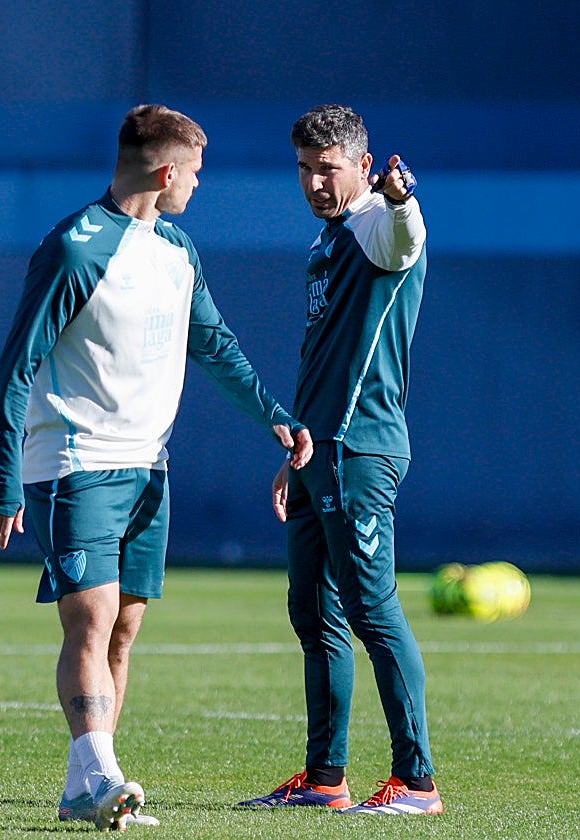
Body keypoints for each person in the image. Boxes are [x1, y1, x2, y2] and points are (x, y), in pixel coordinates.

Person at [0, 104, 313, 831]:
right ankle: (103, 776)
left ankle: (82, 789)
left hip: (148, 468)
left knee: (126, 627)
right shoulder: (75, 248)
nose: (198, 184)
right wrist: (4, 474)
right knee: (92, 617)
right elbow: (17, 365)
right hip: (74, 461)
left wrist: (276, 417)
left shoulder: (177, 250)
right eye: (194, 172)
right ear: (166, 171)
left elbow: (216, 345)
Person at [237, 104, 443, 817]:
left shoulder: (379, 227)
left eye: (327, 168)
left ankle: (417, 784)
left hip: (360, 448)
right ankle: (325, 779)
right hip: (317, 449)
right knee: (313, 611)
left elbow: (408, 235)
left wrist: (401, 197)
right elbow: (319, 359)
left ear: (362, 163)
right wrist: (295, 445)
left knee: (371, 610)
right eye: (304, 167)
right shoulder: (327, 241)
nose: (315, 181)